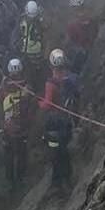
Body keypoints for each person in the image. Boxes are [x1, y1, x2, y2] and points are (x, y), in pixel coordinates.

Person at [41, 49, 79, 193]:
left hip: (55, 122)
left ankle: (59, 182)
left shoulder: (51, 83)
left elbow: (47, 104)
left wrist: (36, 101)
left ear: (51, 66)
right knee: (63, 149)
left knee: (55, 151)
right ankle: (65, 178)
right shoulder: (71, 79)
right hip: (68, 121)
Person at [0, 58, 31, 188]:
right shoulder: (26, 87)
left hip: (8, 126)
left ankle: (10, 181)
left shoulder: (5, 84)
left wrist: (2, 86)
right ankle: (20, 179)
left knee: (9, 154)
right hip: (20, 127)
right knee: (21, 154)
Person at [12, 0, 47, 100]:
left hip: (38, 55)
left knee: (39, 75)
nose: (31, 19)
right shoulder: (21, 21)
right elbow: (16, 34)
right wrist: (16, 45)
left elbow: (46, 33)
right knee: (29, 75)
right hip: (25, 54)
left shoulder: (40, 22)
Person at [64, 0, 98, 73]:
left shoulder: (72, 25)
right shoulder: (92, 20)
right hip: (92, 53)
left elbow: (67, 43)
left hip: (80, 59)